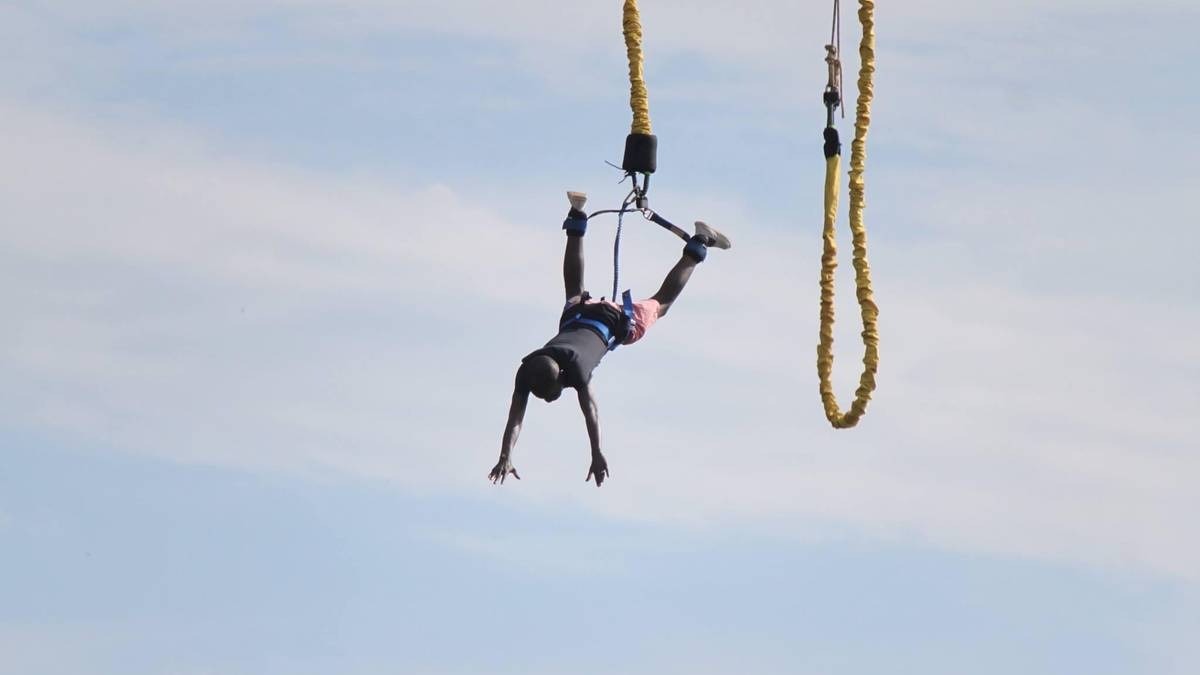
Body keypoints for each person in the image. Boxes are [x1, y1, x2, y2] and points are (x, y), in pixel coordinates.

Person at [489, 191, 731, 487]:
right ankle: (577, 216)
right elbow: (516, 416)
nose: (549, 399)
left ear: (558, 378)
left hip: (620, 322)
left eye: (549, 394)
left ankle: (700, 242)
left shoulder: (576, 370)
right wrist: (505, 455)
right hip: (581, 312)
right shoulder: (529, 369)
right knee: (573, 291)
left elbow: (589, 410)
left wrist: (597, 452)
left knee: (662, 303)